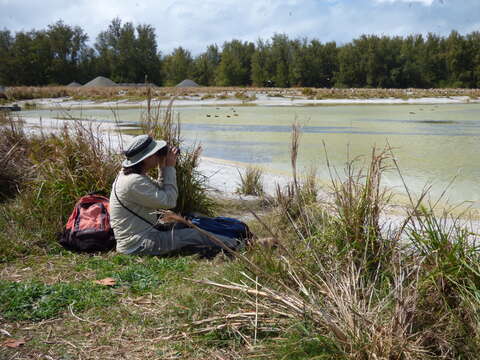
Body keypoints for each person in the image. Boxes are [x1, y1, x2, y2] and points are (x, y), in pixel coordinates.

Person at [109, 134, 241, 257]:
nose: (159, 155)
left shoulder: (131, 176)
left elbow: (160, 192)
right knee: (194, 234)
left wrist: (162, 168)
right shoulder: (133, 181)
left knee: (190, 223)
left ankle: (234, 237)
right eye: (156, 153)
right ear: (147, 158)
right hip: (137, 244)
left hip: (142, 235)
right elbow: (169, 201)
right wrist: (170, 168)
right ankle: (239, 245)